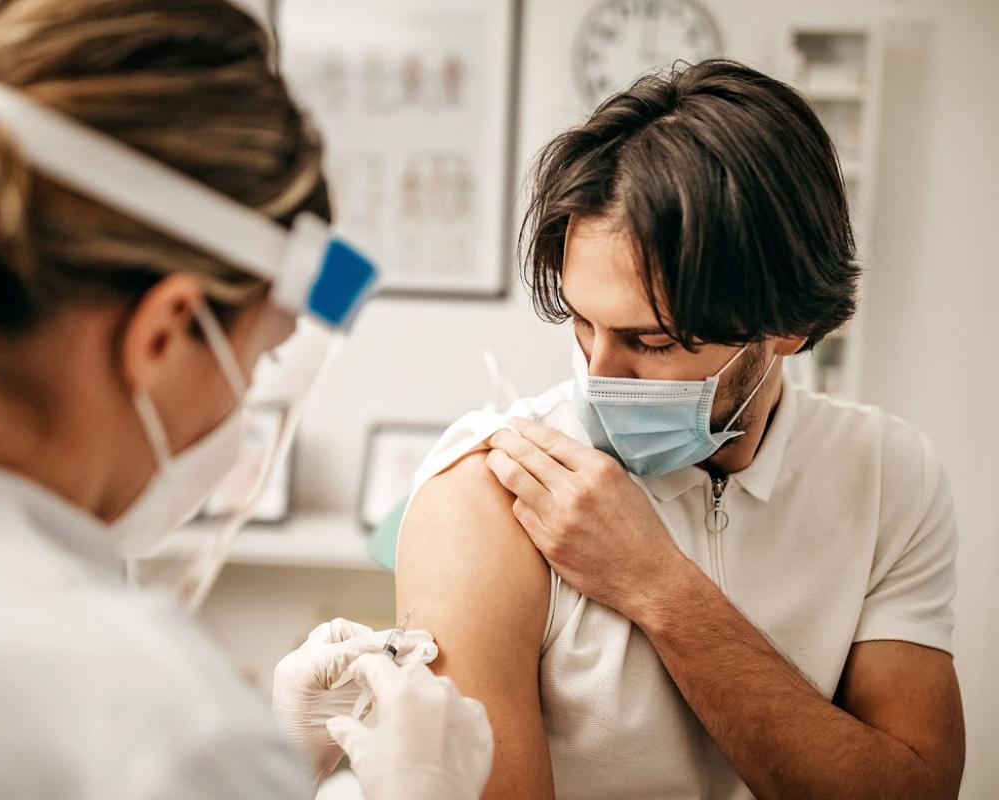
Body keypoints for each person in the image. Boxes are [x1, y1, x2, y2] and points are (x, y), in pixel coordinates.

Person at [0, 2, 492, 798]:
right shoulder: (143, 715)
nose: (243, 411)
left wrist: (270, 759)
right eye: (258, 362)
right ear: (163, 333)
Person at [397, 60, 965, 799]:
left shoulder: (890, 476)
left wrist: (657, 586)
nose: (599, 376)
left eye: (653, 343)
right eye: (582, 323)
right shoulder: (488, 494)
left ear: (787, 326)